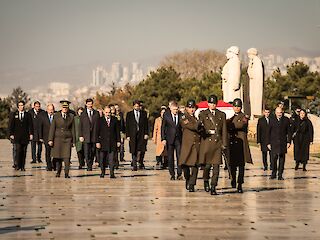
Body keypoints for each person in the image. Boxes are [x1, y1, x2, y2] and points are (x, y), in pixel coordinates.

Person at [198, 95, 228, 195]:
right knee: (207, 166)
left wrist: (224, 143)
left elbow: (224, 130)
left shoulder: (221, 114)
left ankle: (213, 186)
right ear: (208, 104)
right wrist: (205, 131)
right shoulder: (203, 114)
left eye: (214, 103)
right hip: (207, 142)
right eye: (211, 103)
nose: (212, 105)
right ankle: (206, 180)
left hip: (217, 143)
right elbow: (200, 127)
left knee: (216, 167)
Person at [227, 98, 253, 193]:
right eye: (235, 106)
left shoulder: (244, 117)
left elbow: (241, 125)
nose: (236, 108)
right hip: (233, 143)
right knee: (232, 164)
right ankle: (233, 178)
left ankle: (240, 184)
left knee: (241, 165)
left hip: (241, 144)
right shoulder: (232, 117)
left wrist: (229, 124)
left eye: (238, 106)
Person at [179, 100, 202, 192]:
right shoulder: (184, 117)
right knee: (184, 164)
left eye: (193, 108)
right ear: (187, 108)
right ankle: (188, 178)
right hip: (187, 144)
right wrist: (200, 123)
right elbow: (192, 127)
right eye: (190, 108)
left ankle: (192, 184)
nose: (192, 109)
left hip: (196, 144)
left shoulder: (196, 118)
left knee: (195, 165)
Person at [48, 100, 75, 178]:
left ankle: (66, 173)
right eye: (63, 107)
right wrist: (50, 139)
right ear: (61, 107)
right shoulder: (56, 116)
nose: (65, 109)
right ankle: (58, 171)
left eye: (66, 107)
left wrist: (73, 140)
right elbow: (52, 128)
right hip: (58, 139)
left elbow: (73, 129)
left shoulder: (71, 116)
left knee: (67, 157)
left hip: (67, 139)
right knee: (58, 157)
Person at [267, 107, 291, 180]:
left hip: (282, 143)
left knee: (282, 159)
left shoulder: (286, 120)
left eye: (280, 112)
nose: (279, 114)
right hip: (273, 142)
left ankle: (280, 174)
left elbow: (289, 131)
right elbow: (268, 132)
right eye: (278, 112)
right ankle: (273, 173)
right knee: (273, 159)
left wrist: (289, 141)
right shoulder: (271, 120)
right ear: (275, 112)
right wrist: (268, 143)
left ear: (282, 112)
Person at [96, 106, 121, 178]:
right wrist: (97, 142)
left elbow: (117, 131)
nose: (108, 114)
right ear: (104, 112)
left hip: (112, 142)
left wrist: (118, 141)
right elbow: (96, 132)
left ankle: (112, 173)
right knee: (102, 159)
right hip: (102, 143)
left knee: (112, 159)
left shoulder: (115, 119)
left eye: (109, 112)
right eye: (106, 112)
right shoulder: (100, 120)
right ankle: (102, 172)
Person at [9, 100, 34, 171]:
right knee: (18, 151)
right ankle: (17, 165)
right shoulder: (14, 114)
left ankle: (22, 166)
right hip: (17, 136)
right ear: (18, 107)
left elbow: (30, 125)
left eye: (22, 105)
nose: (21, 107)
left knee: (24, 151)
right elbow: (11, 125)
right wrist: (11, 134)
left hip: (25, 136)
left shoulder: (27, 115)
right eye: (20, 105)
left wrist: (31, 134)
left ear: (24, 106)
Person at [161, 101, 183, 180]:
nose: (175, 111)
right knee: (170, 157)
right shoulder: (166, 115)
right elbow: (163, 127)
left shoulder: (181, 115)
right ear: (170, 109)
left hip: (178, 139)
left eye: (176, 109)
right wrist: (163, 138)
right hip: (169, 139)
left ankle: (179, 173)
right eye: (174, 109)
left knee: (179, 157)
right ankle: (172, 174)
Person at [126, 100, 149, 171]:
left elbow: (146, 125)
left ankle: (140, 161)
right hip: (132, 134)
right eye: (135, 106)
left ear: (140, 106)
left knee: (141, 149)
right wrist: (128, 135)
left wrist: (146, 133)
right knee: (133, 149)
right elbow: (127, 125)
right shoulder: (129, 114)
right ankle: (134, 165)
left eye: (138, 106)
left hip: (141, 134)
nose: (137, 107)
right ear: (133, 106)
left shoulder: (144, 114)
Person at [79, 98, 99, 171]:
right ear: (86, 104)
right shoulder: (83, 114)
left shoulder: (96, 113)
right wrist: (80, 135)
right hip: (86, 135)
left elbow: (98, 125)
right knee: (87, 151)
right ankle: (88, 165)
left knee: (93, 151)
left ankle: (91, 162)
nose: (90, 105)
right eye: (88, 104)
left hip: (94, 135)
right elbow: (80, 125)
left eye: (91, 104)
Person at [39, 103, 56, 171]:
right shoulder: (43, 117)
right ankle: (49, 166)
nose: (51, 111)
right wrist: (40, 137)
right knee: (48, 152)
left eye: (52, 109)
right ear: (47, 110)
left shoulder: (56, 117)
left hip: (55, 137)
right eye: (49, 110)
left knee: (55, 152)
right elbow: (40, 127)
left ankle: (54, 165)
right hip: (46, 137)